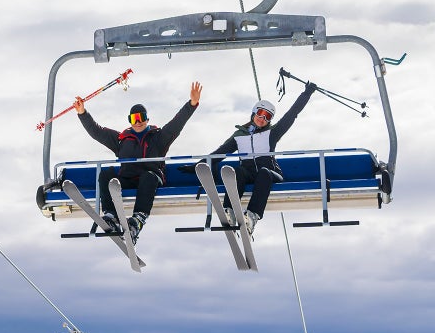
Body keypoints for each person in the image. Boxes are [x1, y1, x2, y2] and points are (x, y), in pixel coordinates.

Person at [74, 81, 202, 243]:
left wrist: (192, 104)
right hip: (128, 179)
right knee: (106, 174)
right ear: (130, 121)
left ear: (147, 119)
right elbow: (97, 132)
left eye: (141, 117)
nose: (138, 121)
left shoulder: (159, 137)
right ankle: (111, 216)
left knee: (148, 176)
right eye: (134, 118)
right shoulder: (121, 139)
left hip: (150, 180)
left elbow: (177, 123)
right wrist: (82, 113)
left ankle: (137, 220)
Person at [207, 80, 317, 237]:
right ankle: (229, 211)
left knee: (264, 172)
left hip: (270, 174)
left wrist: (306, 93)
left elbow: (292, 114)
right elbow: (219, 153)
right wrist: (198, 165)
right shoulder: (239, 135)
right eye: (260, 113)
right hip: (249, 174)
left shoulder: (272, 133)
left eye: (267, 116)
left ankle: (252, 216)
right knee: (238, 171)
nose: (262, 118)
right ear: (254, 113)